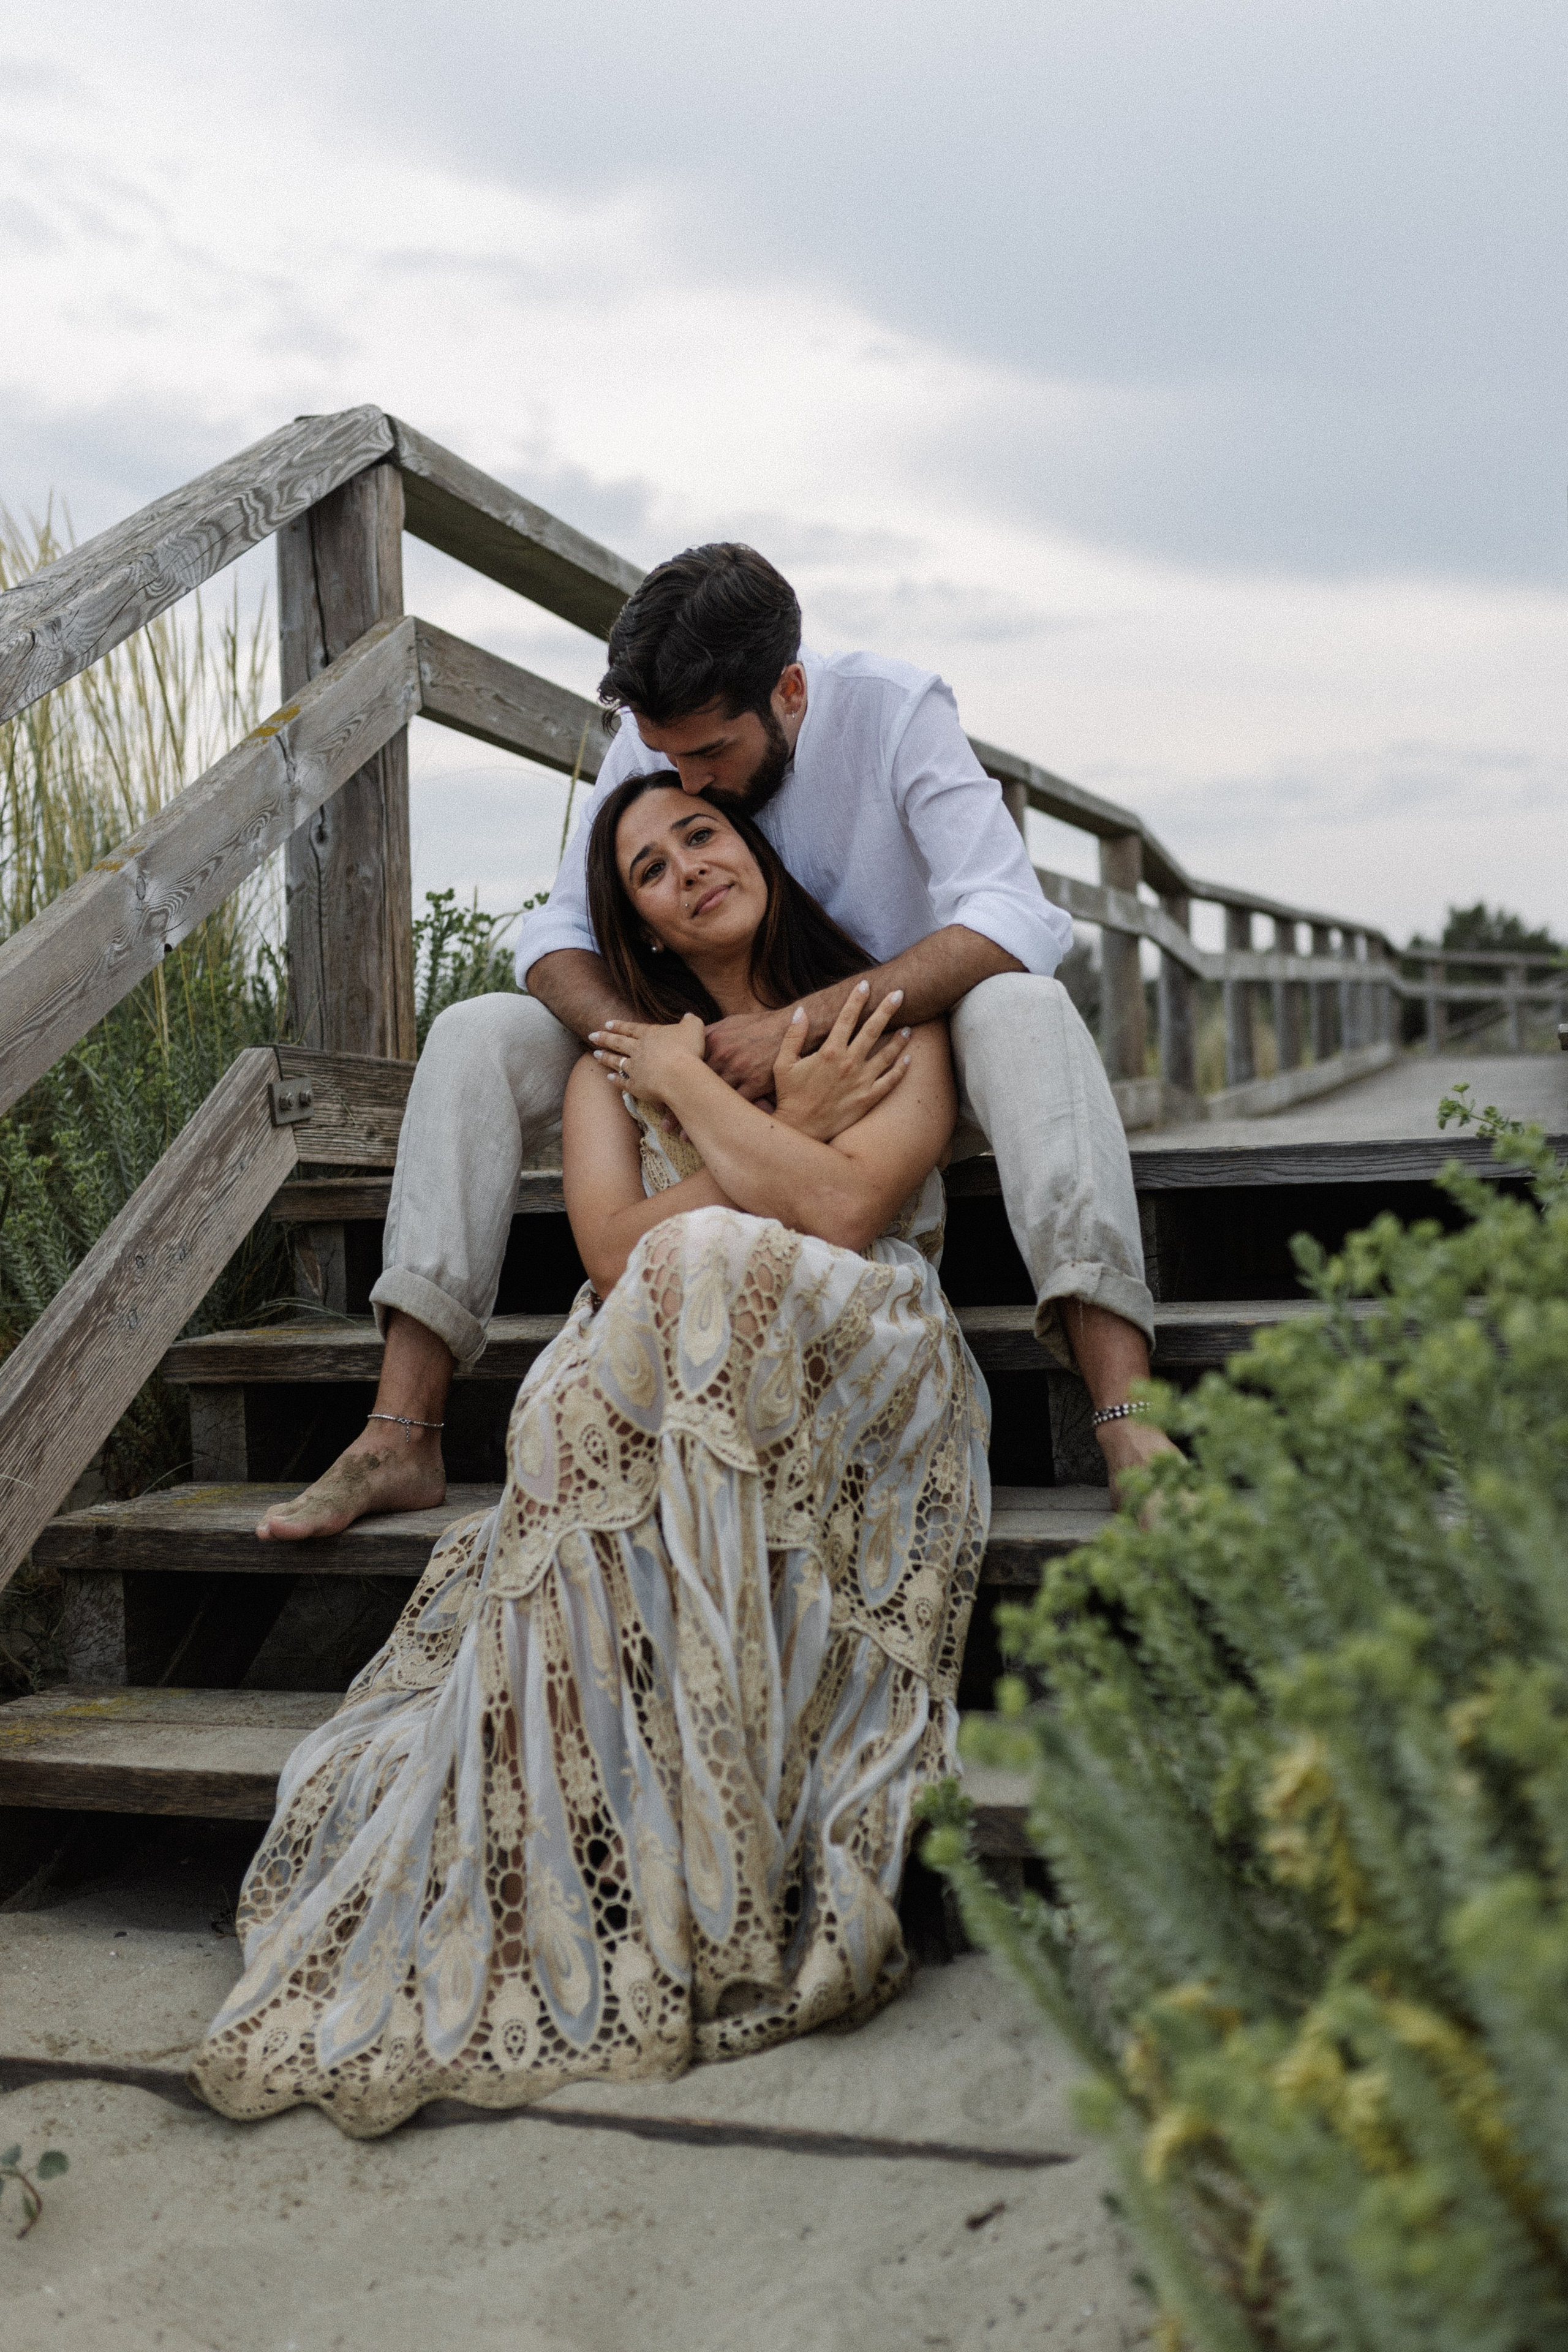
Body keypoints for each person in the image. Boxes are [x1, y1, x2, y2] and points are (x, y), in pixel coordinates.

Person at [193, 777, 990, 2135]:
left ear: (754, 849)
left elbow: (850, 1209)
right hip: (655, 1345)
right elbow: (614, 1256)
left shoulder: (882, 1016)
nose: (685, 870)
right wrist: (737, 1105)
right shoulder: (607, 1071)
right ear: (640, 926)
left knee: (707, 1252)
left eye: (700, 836)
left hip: (850, 1339)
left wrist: (725, 1118)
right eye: (647, 871)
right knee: (640, 1315)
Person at [255, 541, 1169, 1548]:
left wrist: (793, 1032)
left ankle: (1126, 1418)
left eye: (708, 757)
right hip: (697, 1060)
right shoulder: (664, 740)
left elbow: (1012, 914)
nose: (686, 779)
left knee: (1027, 1006)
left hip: (890, 1063)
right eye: (667, 757)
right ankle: (400, 1429)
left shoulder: (895, 712)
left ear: (789, 692)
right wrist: (667, 1057)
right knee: (476, 1030)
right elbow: (559, 932)